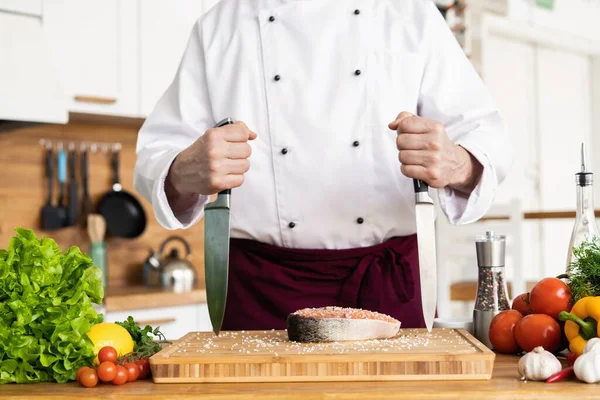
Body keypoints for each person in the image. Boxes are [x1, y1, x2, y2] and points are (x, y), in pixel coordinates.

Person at [134, 0, 512, 330]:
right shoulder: (219, 26)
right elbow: (157, 153)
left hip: (385, 287)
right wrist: (184, 171)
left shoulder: (412, 16)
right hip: (261, 292)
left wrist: (456, 163)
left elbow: (487, 137)